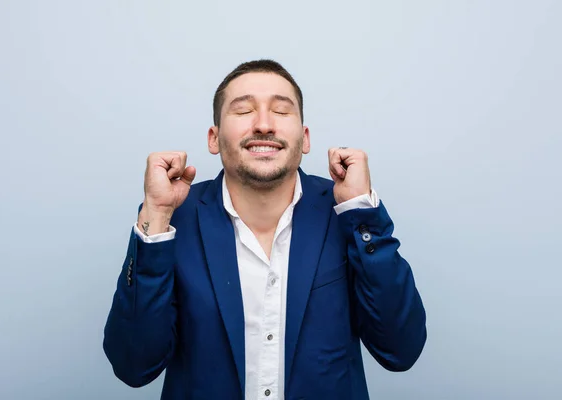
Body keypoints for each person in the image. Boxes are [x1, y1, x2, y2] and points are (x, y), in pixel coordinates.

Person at [103, 59, 427, 400]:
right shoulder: (173, 219)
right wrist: (155, 215)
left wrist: (361, 211)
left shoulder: (345, 213)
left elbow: (400, 350)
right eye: (243, 111)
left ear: (304, 139)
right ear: (213, 138)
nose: (263, 124)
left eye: (281, 111)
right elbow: (133, 366)